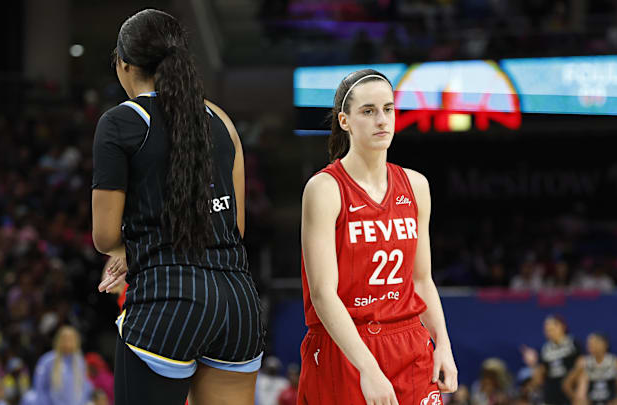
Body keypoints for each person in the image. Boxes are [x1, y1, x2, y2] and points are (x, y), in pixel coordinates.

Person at [92, 8, 264, 405]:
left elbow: (104, 235)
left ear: (124, 63)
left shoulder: (120, 123)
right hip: (237, 303)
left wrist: (124, 250)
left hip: (167, 300)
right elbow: (235, 227)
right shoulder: (220, 119)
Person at [298, 69, 458, 405]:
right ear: (345, 120)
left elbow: (422, 280)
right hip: (345, 345)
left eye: (388, 109)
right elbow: (323, 294)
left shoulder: (416, 186)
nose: (381, 120)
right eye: (368, 111)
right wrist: (368, 368)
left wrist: (442, 343)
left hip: (409, 341)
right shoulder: (325, 189)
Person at [32, 326, 92, 405]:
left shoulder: (80, 361)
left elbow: (86, 386)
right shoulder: (47, 360)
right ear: (58, 340)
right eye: (64, 338)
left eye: (71, 339)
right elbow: (39, 387)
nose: (67, 342)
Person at [526, 315, 580, 405]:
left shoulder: (572, 343)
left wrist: (569, 382)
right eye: (547, 330)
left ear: (562, 327)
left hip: (570, 386)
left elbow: (581, 364)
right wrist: (533, 364)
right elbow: (541, 373)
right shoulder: (545, 349)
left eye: (552, 329)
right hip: (551, 388)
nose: (549, 332)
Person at [563, 333, 617, 405]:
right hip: (590, 401)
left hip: (610, 400)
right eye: (589, 343)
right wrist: (576, 397)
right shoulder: (583, 363)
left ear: (605, 344)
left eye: (596, 343)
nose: (591, 346)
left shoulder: (616, 362)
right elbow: (567, 384)